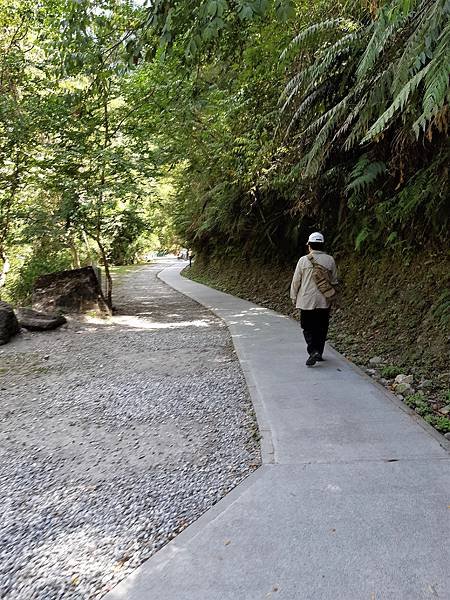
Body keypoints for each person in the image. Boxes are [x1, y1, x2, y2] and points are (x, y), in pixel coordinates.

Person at [290, 232, 338, 366]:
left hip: (306, 301)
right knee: (322, 327)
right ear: (322, 245)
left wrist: (293, 297)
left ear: (309, 245)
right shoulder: (330, 260)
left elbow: (296, 281)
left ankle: (313, 351)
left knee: (307, 327)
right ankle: (319, 352)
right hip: (324, 300)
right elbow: (334, 281)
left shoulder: (303, 260)